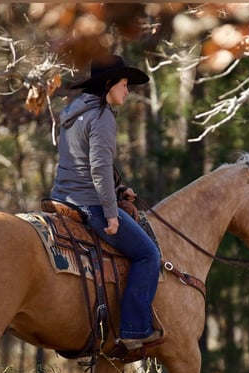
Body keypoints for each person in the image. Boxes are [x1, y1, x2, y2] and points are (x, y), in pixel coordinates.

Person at [51, 54, 162, 350]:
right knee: (148, 254)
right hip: (90, 203)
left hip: (62, 197)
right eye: (124, 84)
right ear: (110, 84)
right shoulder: (102, 115)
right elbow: (98, 167)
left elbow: (83, 163)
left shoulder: (74, 112)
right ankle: (134, 331)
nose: (127, 91)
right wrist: (111, 214)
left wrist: (119, 187)